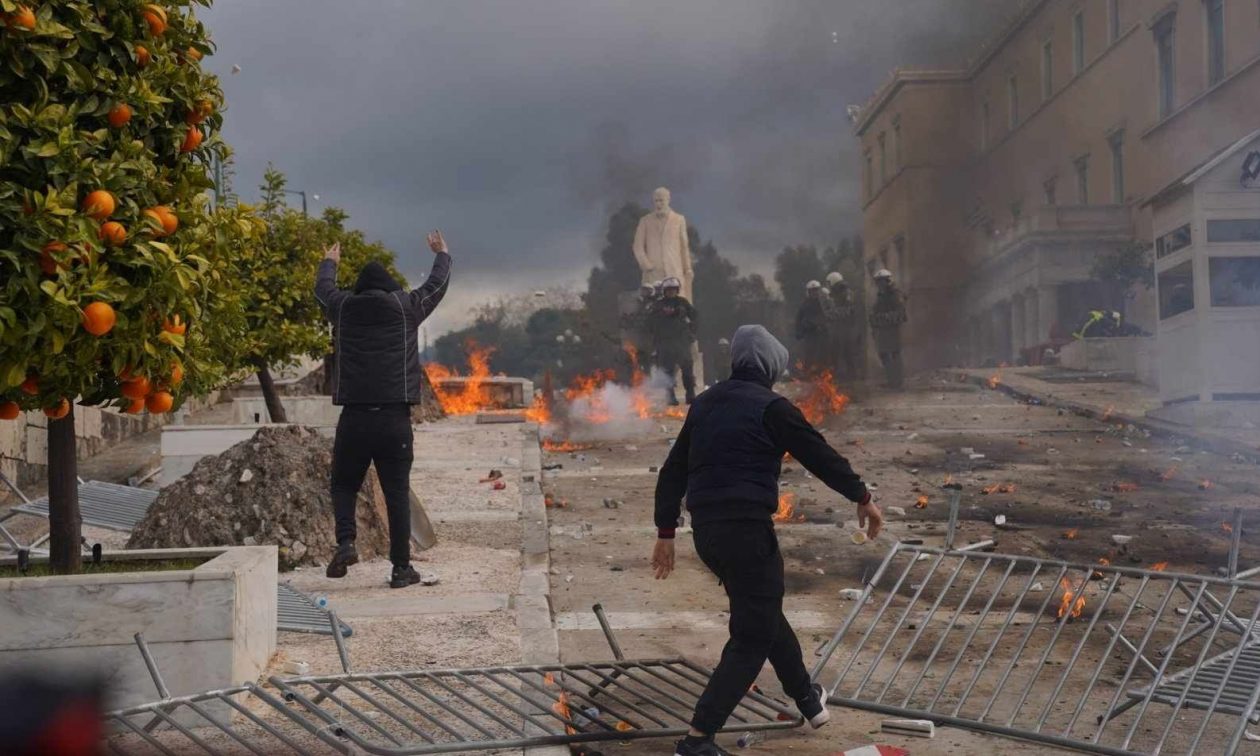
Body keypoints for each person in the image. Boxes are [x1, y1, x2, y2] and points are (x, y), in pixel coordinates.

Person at [652, 325, 881, 756]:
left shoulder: (704, 403)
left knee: (764, 612)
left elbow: (673, 470)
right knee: (752, 635)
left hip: (709, 534)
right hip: (746, 531)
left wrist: (666, 532)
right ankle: (698, 739)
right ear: (770, 365)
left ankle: (808, 700)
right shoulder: (772, 407)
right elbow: (819, 455)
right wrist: (862, 497)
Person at [314, 231, 452, 588]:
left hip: (355, 419)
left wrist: (329, 263)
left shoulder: (343, 308)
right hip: (394, 419)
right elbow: (436, 286)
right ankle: (401, 568)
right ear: (390, 286)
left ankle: (345, 543)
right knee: (396, 493)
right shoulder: (406, 307)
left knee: (344, 484)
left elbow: (321, 290)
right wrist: (442, 254)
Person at [649, 277, 699, 405]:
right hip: (665, 343)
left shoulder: (683, 302)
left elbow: (695, 316)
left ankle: (690, 393)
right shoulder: (658, 305)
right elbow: (651, 323)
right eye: (668, 290)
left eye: (673, 290)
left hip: (682, 341)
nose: (671, 292)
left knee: (687, 368)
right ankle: (670, 396)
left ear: (677, 290)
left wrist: (692, 331)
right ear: (664, 291)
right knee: (667, 371)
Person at [869, 269, 907, 389]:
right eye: (878, 282)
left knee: (895, 354)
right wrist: (874, 321)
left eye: (881, 282)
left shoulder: (895, 294)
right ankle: (891, 380)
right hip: (883, 330)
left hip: (893, 329)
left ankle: (898, 382)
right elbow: (875, 311)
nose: (879, 284)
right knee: (883, 354)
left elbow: (900, 313)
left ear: (887, 281)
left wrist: (884, 317)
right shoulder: (881, 295)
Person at [825, 272, 863, 383]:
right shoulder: (837, 293)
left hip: (849, 330)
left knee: (849, 355)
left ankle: (852, 379)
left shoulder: (845, 293)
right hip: (841, 329)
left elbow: (848, 311)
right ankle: (843, 378)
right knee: (838, 354)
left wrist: (832, 314)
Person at [793, 280, 832, 375]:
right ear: (808, 292)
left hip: (823, 333)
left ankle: (823, 373)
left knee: (824, 354)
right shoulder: (805, 304)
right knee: (809, 353)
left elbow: (829, 316)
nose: (814, 293)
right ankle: (807, 372)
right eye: (812, 291)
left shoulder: (824, 303)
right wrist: (799, 332)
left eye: (816, 290)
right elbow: (799, 319)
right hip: (810, 334)